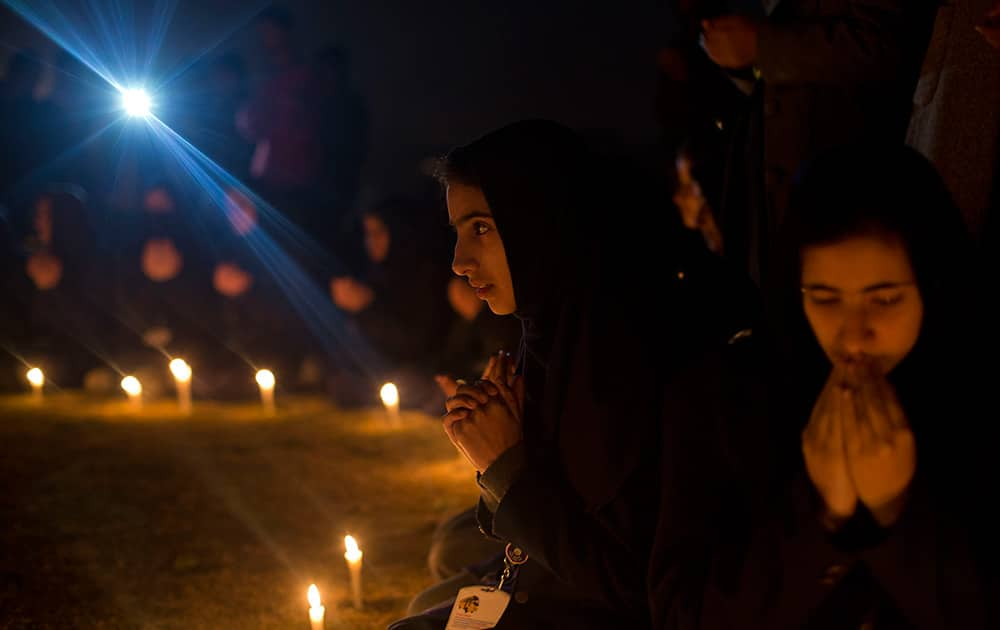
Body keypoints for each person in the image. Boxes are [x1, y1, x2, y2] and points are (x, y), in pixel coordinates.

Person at [390, 120, 757, 629]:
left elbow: (634, 586)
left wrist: (504, 467)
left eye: (481, 228)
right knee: (430, 597)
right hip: (552, 581)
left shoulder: (627, 357)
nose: (459, 262)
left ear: (540, 221)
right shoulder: (553, 327)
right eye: (457, 233)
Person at [648, 143, 998, 628]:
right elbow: (680, 616)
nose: (853, 336)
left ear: (931, 284)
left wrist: (897, 511)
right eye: (826, 299)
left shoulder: (977, 393)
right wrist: (818, 518)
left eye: (885, 299)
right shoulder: (719, 398)